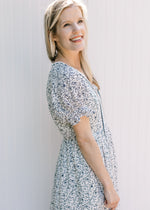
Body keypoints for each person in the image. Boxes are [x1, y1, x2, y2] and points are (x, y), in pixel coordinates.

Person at [44, 0, 120, 209]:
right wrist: (109, 186)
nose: (77, 29)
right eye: (66, 24)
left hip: (91, 172)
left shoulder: (78, 70)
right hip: (82, 176)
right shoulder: (66, 76)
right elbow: (84, 138)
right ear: (53, 35)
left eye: (79, 21)